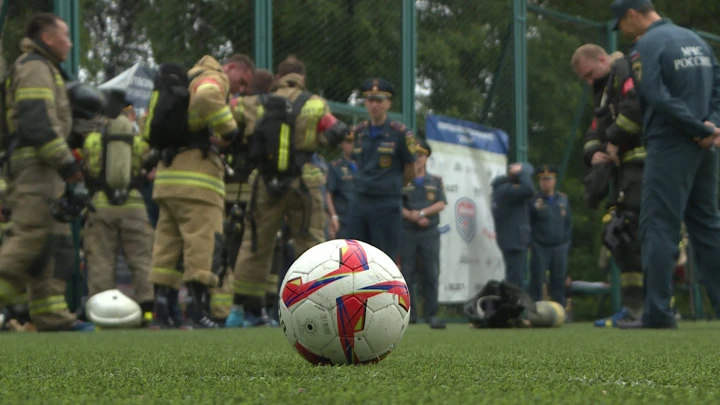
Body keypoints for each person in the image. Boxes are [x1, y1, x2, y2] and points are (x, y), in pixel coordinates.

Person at [611, 0, 720, 328]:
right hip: (705, 147)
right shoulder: (696, 39)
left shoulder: (645, 45)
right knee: (707, 225)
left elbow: (656, 96)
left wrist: (696, 128)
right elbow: (717, 92)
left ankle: (658, 313)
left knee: (658, 226)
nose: (623, 33)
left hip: (671, 145)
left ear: (632, 16)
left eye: (622, 25)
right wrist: (710, 128)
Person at [228, 55, 348, 327]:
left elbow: (229, 118)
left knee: (256, 243)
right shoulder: (314, 103)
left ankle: (246, 311)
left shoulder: (254, 103)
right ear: (302, 78)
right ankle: (321, 303)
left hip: (264, 181)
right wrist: (315, 141)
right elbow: (338, 129)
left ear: (278, 77)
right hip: (305, 182)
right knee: (311, 243)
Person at [0, 13, 93, 332]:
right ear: (48, 38)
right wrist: (70, 169)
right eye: (65, 35)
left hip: (46, 167)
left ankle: (52, 316)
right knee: (30, 236)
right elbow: (38, 124)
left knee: (55, 244)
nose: (69, 42)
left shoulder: (47, 70)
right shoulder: (35, 68)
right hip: (35, 169)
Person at [146, 54, 241, 329]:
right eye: (241, 80)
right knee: (202, 243)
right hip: (198, 180)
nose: (240, 87)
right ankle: (197, 312)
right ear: (230, 68)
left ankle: (163, 312)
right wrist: (230, 130)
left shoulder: (180, 82)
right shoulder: (212, 77)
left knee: (167, 246)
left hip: (168, 177)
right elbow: (207, 96)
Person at [572, 43, 646, 327]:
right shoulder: (603, 91)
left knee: (636, 233)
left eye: (590, 74)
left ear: (602, 59)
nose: (589, 81)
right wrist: (595, 154)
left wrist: (613, 140)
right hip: (621, 171)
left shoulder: (623, 71)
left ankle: (653, 305)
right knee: (621, 237)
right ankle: (633, 306)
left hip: (640, 165)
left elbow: (634, 107)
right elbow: (593, 131)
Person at [80, 105, 155, 326]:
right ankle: (147, 311)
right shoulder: (137, 141)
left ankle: (103, 315)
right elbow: (144, 165)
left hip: (101, 205)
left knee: (101, 259)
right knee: (142, 259)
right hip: (133, 205)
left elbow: (90, 168)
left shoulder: (93, 140)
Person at [346, 78, 418, 261]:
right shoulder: (358, 131)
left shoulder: (400, 133)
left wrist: (392, 186)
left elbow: (410, 168)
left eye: (379, 100)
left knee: (384, 258)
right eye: (370, 100)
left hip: (386, 203)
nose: (374, 105)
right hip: (359, 200)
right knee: (356, 257)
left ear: (388, 103)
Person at [399, 139, 447, 329]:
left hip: (429, 233)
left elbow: (441, 203)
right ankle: (409, 315)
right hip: (407, 231)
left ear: (426, 158)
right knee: (407, 273)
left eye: (420, 156)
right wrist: (410, 215)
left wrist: (421, 213)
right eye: (414, 155)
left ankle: (432, 314)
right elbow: (396, 203)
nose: (417, 159)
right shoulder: (403, 179)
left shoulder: (435, 181)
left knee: (431, 273)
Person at [528, 165, 572, 307]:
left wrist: (566, 244)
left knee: (558, 282)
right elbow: (528, 223)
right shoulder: (534, 200)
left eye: (548, 179)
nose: (545, 182)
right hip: (540, 247)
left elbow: (568, 224)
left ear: (554, 181)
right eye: (542, 180)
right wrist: (532, 244)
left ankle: (559, 313)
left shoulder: (563, 199)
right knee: (537, 281)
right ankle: (535, 313)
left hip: (559, 247)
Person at [491, 162, 535, 290]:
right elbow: (529, 189)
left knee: (515, 279)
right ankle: (510, 309)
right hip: (514, 240)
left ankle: (511, 307)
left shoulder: (502, 190)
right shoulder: (506, 191)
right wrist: (523, 172)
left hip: (513, 240)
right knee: (515, 282)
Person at [326, 134, 356, 239]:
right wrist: (333, 216)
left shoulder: (365, 165)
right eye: (348, 142)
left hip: (362, 219)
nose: (351, 145)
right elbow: (329, 193)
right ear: (342, 144)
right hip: (343, 220)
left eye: (353, 142)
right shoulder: (335, 166)